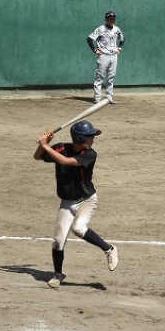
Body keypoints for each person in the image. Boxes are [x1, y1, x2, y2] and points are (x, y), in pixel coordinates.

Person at [33, 120, 119, 289]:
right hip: (67, 202)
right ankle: (58, 274)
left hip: (87, 200)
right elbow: (37, 156)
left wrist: (45, 146)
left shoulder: (90, 154)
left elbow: (66, 162)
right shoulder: (60, 148)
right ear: (80, 139)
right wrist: (44, 144)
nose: (93, 139)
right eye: (90, 136)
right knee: (58, 241)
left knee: (78, 228)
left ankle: (109, 249)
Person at [87, 10, 125, 104]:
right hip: (103, 55)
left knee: (111, 78)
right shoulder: (101, 29)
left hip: (114, 56)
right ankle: (97, 99)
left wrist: (119, 48)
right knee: (99, 78)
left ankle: (109, 98)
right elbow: (90, 39)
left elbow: (122, 38)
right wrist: (95, 50)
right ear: (106, 19)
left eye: (113, 18)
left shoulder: (116, 29)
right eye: (110, 18)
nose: (112, 20)